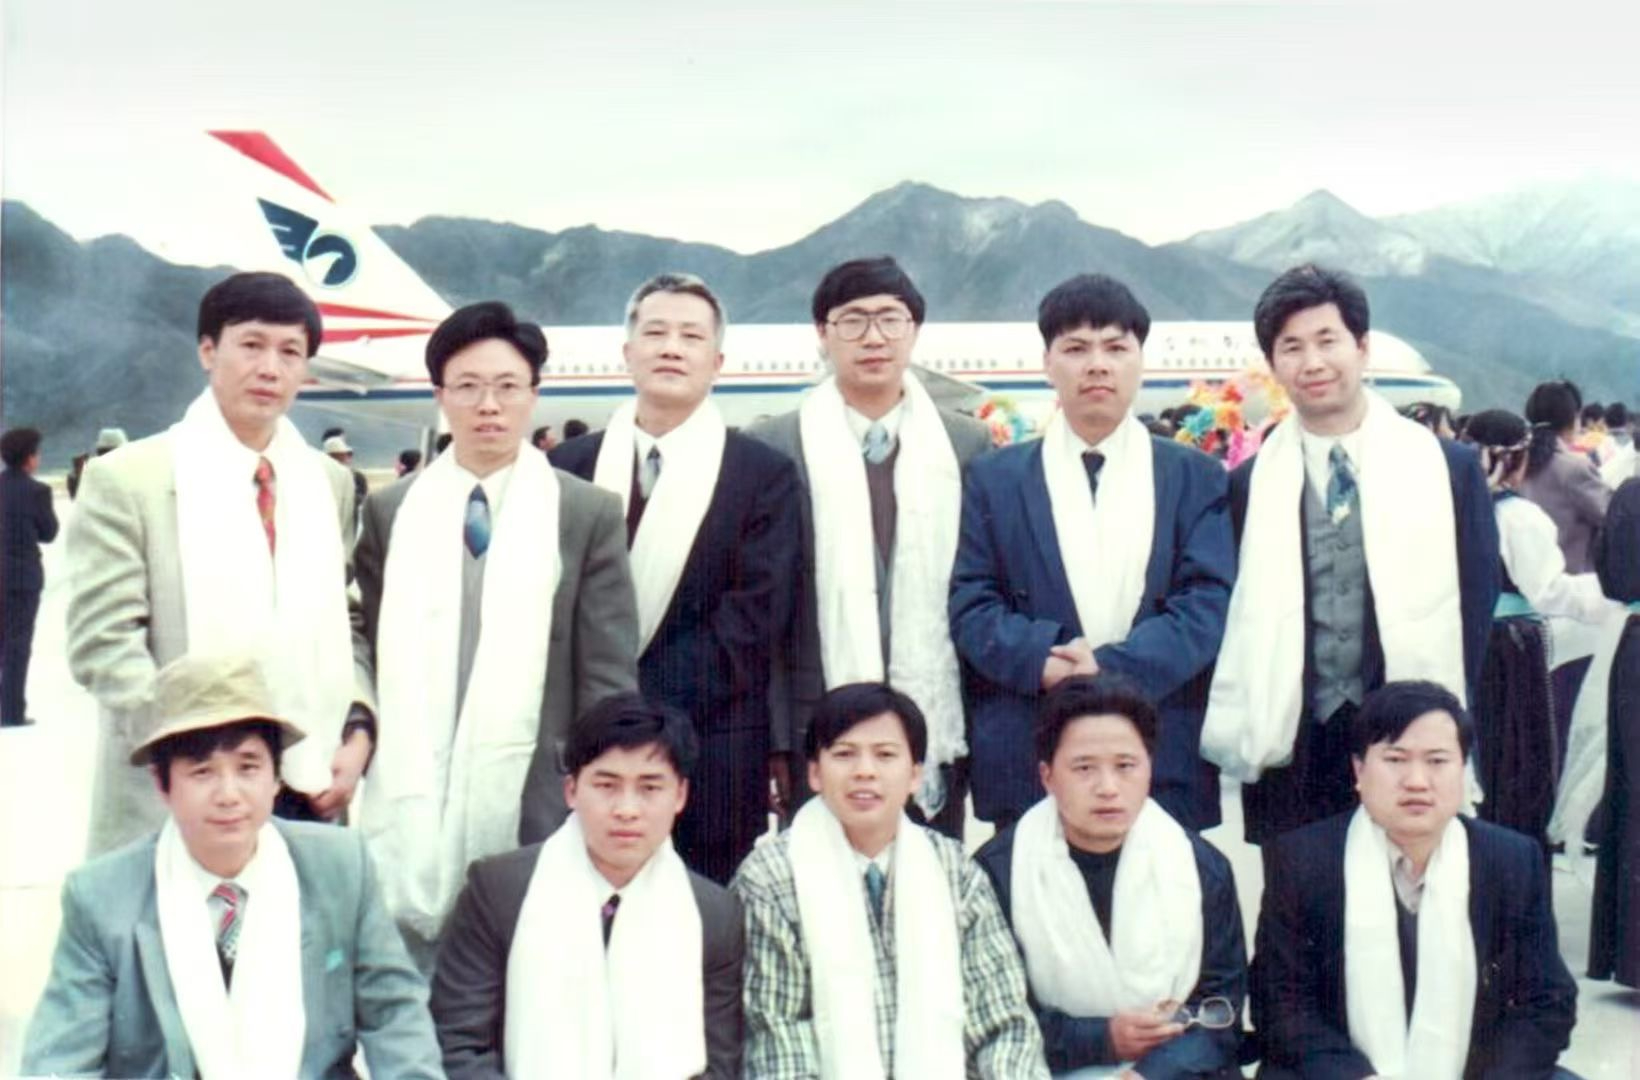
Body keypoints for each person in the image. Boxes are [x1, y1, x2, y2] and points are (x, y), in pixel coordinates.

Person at [351, 300, 638, 962]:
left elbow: (606, 667)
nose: (489, 405)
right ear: (439, 396)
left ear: (534, 395)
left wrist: (595, 775)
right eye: (468, 387)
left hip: (534, 776)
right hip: (412, 770)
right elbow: (367, 634)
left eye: (508, 386)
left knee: (530, 957)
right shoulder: (392, 510)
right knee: (411, 960)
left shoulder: (583, 512)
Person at [66, 272, 375, 854]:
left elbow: (346, 621)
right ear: (208, 350)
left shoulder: (325, 481)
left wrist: (357, 730)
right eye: (252, 345)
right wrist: (202, 757)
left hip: (307, 784)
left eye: (290, 352)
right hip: (181, 785)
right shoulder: (131, 479)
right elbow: (103, 643)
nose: (270, 369)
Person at [21, 652, 442, 1078]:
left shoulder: (340, 866)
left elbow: (396, 1016)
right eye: (202, 772)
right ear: (162, 786)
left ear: (276, 778)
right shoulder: (101, 897)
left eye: (248, 767)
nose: (228, 794)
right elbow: (58, 1063)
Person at [1202, 264, 1498, 847]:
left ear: (1361, 348)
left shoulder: (1447, 469)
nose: (1312, 362)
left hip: (1405, 730)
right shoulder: (1250, 484)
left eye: (1327, 340)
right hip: (1293, 736)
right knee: (1296, 887)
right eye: (1292, 348)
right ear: (1273, 365)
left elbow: (1474, 601)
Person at [951, 273, 1234, 831]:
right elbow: (971, 602)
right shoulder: (995, 478)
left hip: (1162, 748)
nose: (1097, 365)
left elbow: (1207, 603)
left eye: (1115, 348)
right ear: (1047, 363)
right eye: (1076, 348)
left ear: (1140, 360)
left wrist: (1109, 668)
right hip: (1029, 747)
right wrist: (1046, 659)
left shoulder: (1195, 476)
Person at [551, 273, 800, 882]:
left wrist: (634, 713)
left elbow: (753, 619)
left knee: (702, 915)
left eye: (691, 336)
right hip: (581, 743)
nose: (671, 348)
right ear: (627, 352)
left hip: (710, 748)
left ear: (717, 362)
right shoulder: (567, 466)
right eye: (656, 332)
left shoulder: (761, 473)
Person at [748, 256, 992, 838]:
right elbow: (768, 609)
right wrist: (776, 736)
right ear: (822, 333)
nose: (874, 337)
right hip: (816, 717)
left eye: (890, 318)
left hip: (933, 717)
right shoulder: (776, 444)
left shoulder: (966, 442)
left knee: (931, 869)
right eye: (853, 320)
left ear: (914, 331)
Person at [1251, 680, 1578, 1078]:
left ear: (1463, 770)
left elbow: (1547, 1002)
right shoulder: (1303, 859)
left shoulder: (1510, 859)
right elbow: (1280, 1004)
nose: (1417, 781)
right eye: (1396, 759)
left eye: (1437, 761)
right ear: (1359, 770)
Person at [732, 682, 1049, 1078]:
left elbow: (1003, 1023)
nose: (865, 771)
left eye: (885, 755)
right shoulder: (770, 879)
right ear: (814, 772)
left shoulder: (954, 870)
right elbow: (777, 1041)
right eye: (844, 754)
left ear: (915, 775)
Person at [431, 693, 743, 1078]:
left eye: (649, 788)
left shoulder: (714, 913)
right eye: (606, 785)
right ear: (571, 790)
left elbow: (720, 1065)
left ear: (680, 795)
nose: (626, 810)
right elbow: (458, 1043)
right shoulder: (500, 889)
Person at [975, 676, 1246, 1078]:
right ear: (1047, 776)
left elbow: (1222, 1013)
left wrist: (1149, 1073)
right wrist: (1103, 1038)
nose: (1108, 788)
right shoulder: (998, 872)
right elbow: (992, 1012)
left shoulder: (1201, 866)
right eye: (1084, 768)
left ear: (1149, 769)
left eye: (1125, 766)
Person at [1463, 410, 1628, 847]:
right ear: (1517, 459)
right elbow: (1550, 592)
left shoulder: (1451, 506)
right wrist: (1615, 596)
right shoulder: (1519, 517)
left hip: (1466, 641)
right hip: (1511, 648)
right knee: (1518, 764)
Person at [2, 427, 59, 727]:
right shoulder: (38, 491)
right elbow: (49, 533)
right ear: (29, 458)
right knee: (17, 643)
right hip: (22, 578)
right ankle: (11, 711)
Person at [1522, 380, 1611, 573]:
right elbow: (1612, 516)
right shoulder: (1574, 468)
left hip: (1527, 575)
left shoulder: (1518, 461)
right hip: (1571, 579)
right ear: (1573, 418)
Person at [322, 429, 369, 531]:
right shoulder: (320, 477)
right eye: (346, 454)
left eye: (349, 454)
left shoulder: (357, 477)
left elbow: (362, 505)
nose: (347, 458)